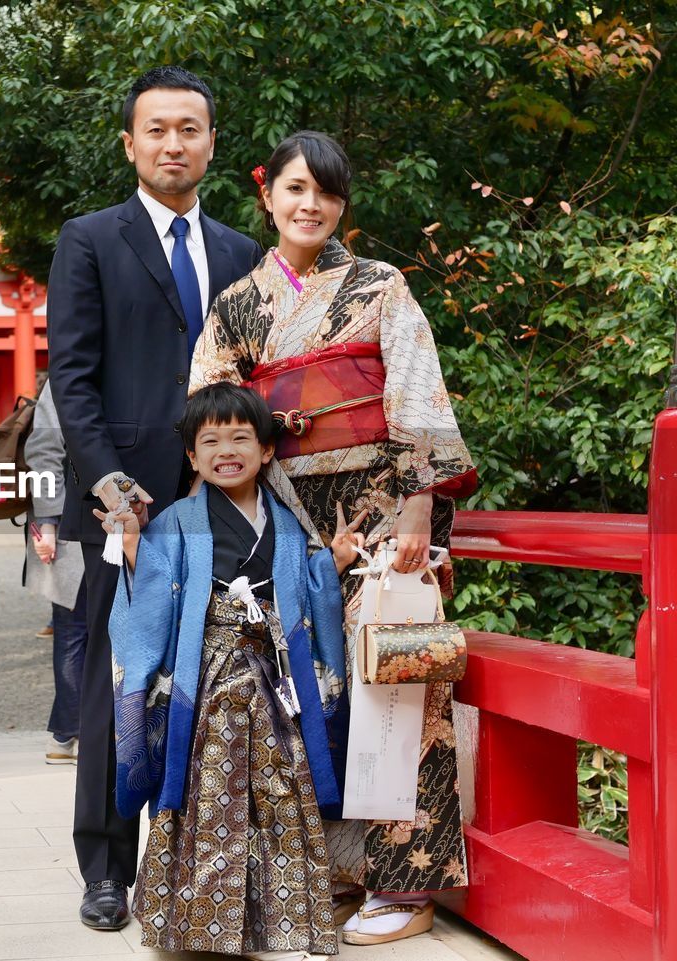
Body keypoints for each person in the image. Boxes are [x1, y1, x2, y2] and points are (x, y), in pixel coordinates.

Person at [189, 130, 478, 946]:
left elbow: (417, 391)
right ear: (268, 198)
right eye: (294, 189)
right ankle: (345, 865)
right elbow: (210, 408)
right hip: (283, 510)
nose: (309, 204)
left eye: (325, 192)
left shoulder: (381, 287)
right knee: (305, 689)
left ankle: (408, 878)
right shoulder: (238, 304)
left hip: (385, 507)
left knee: (398, 680)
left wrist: (421, 503)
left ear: (341, 204)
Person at [46, 65, 263, 930]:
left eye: (191, 129)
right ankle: (106, 866)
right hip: (120, 508)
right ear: (131, 143)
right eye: (158, 129)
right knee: (118, 684)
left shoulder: (245, 254)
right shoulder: (90, 239)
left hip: (222, 501)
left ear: (212, 143)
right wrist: (108, 484)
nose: (174, 143)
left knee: (220, 682)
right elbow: (73, 373)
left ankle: (206, 864)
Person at [106, 383, 364, 959]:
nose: (227, 449)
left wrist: (334, 563)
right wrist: (133, 549)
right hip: (211, 674)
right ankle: (202, 923)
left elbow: (305, 593)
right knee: (212, 786)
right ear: (193, 458)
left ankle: (284, 920)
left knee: (281, 785)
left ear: (268, 449)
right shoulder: (177, 522)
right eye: (211, 440)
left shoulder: (289, 526)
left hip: (277, 672)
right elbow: (152, 591)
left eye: (241, 437)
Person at [23, 381, 87, 765]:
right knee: (73, 629)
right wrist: (47, 521)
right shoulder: (64, 379)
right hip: (68, 523)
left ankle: (78, 730)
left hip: (127, 518)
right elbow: (44, 450)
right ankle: (67, 732)